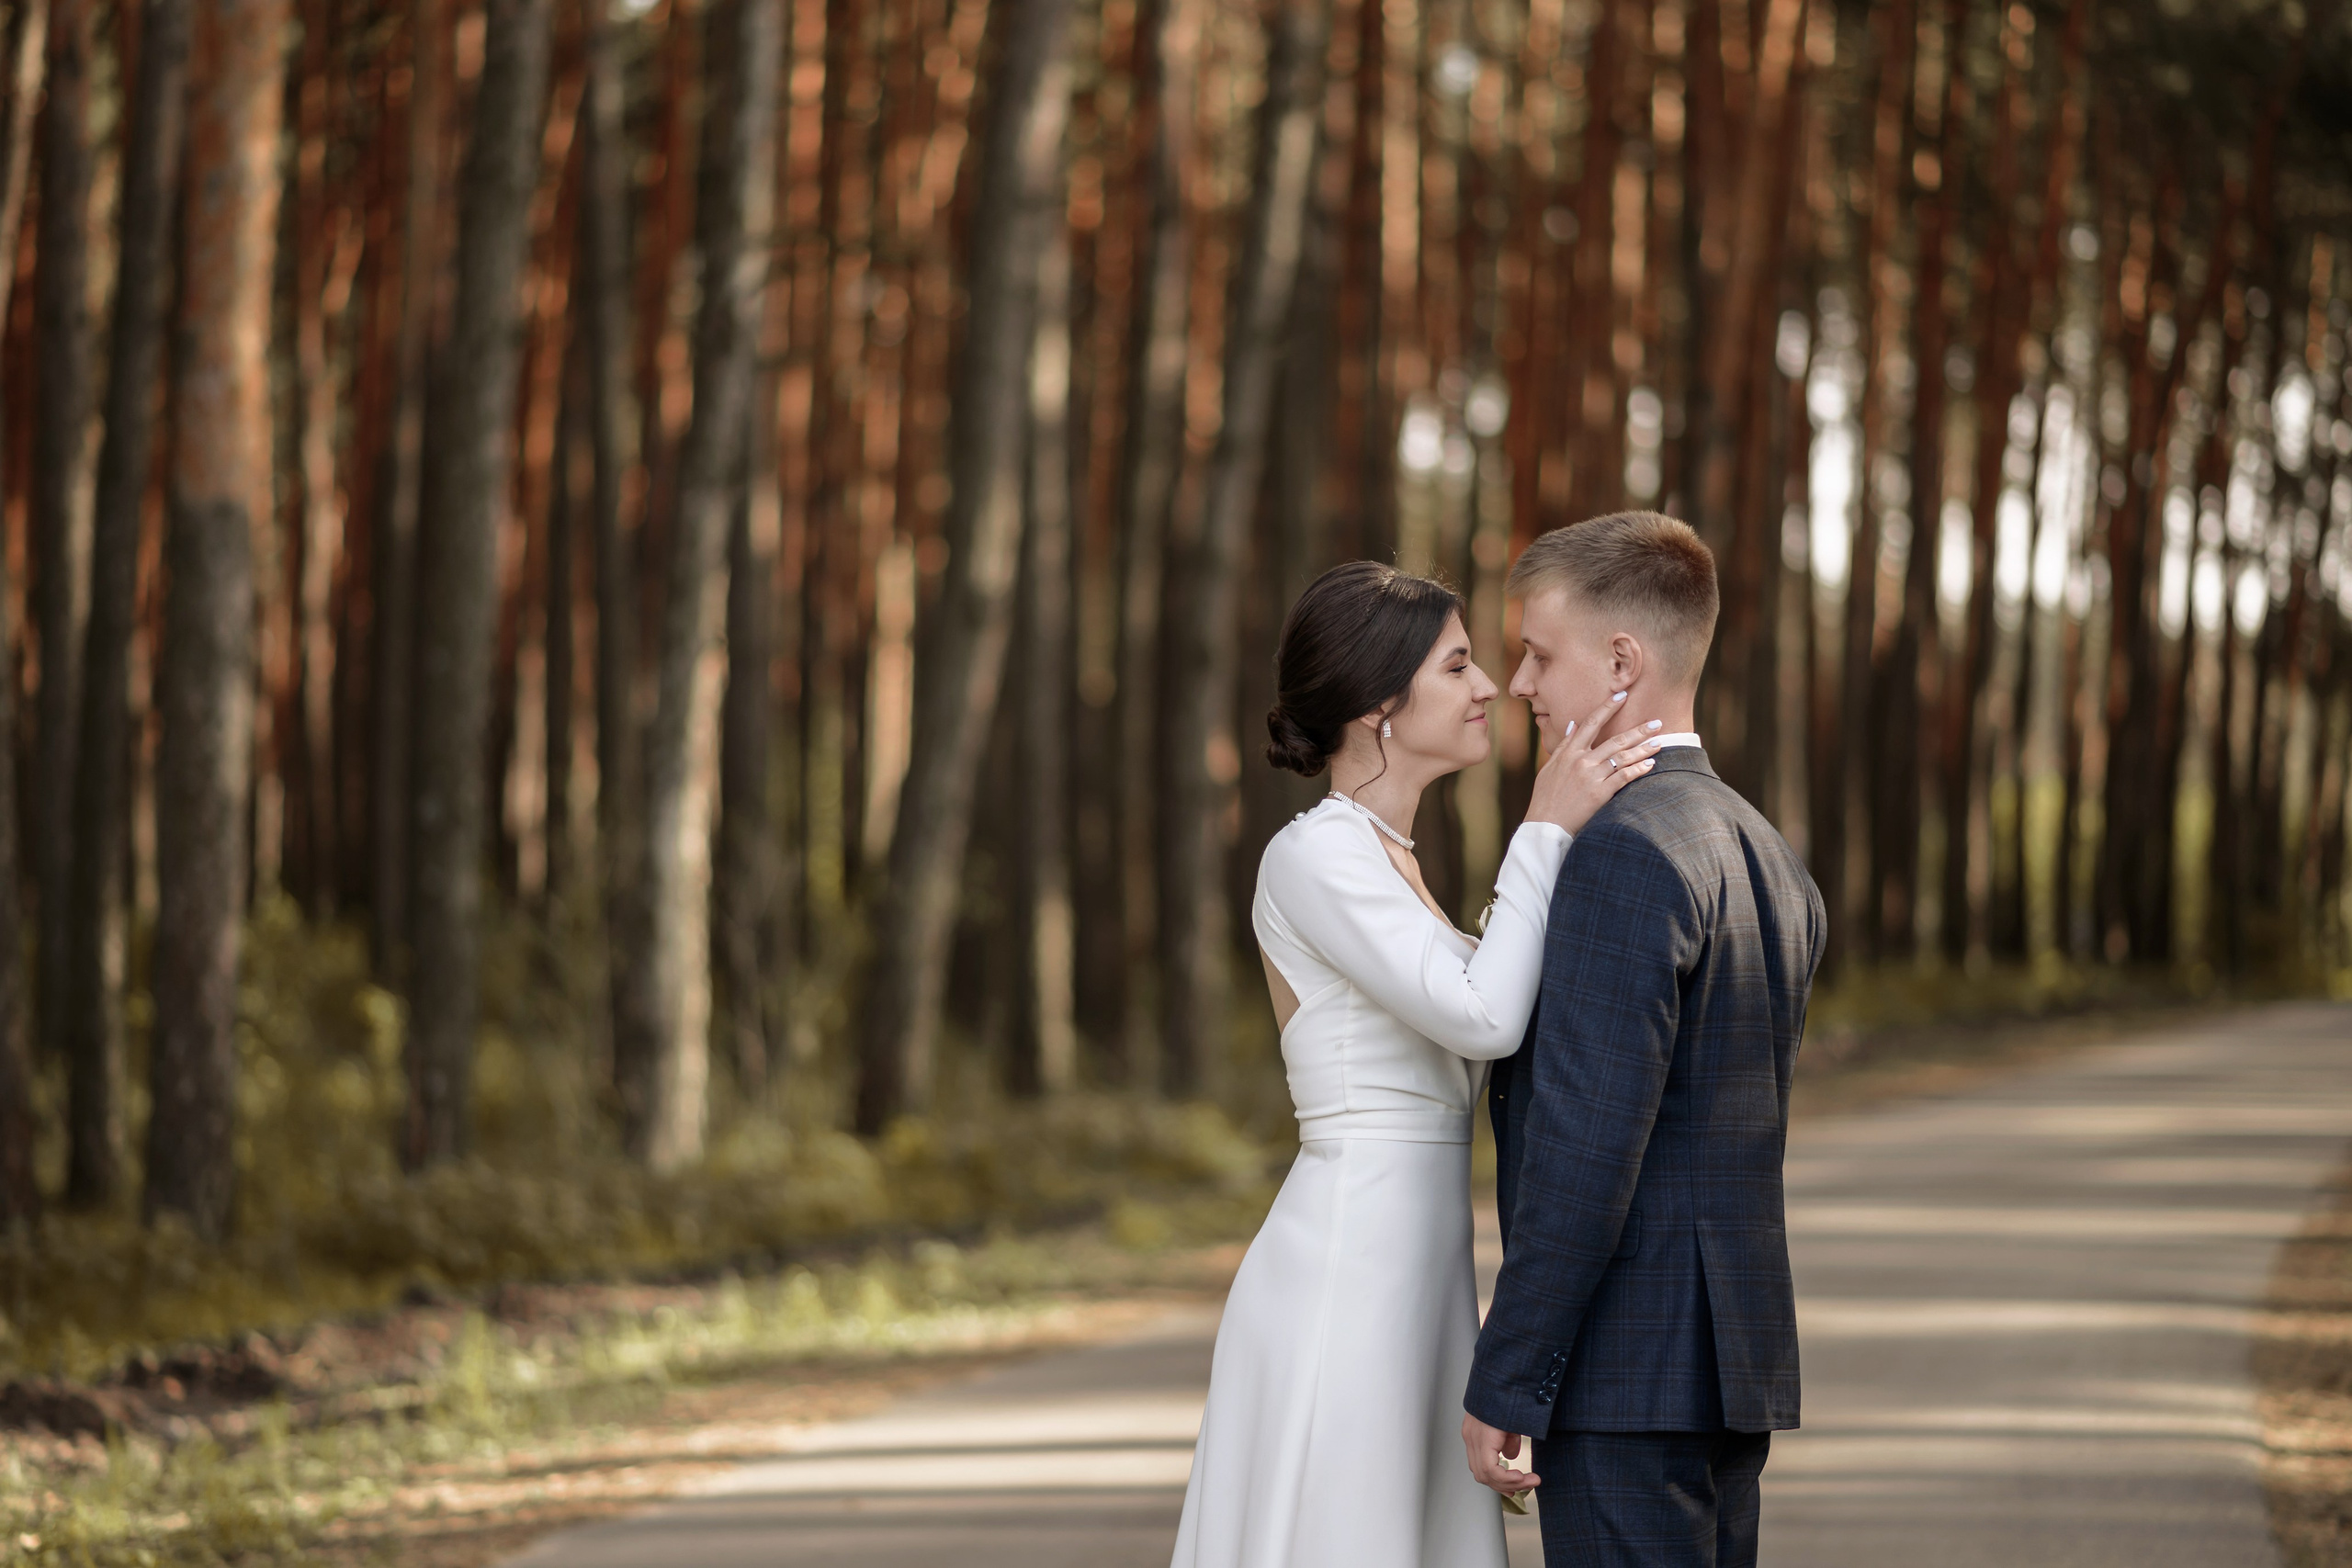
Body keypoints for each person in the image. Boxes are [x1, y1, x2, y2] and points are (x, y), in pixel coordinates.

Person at [1169, 559, 1663, 1568]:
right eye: (1457, 666)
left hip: (1417, 1269)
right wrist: (1541, 833)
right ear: (1375, 704)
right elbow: (1483, 1018)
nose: (1490, 688)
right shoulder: (1315, 857)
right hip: (1345, 1272)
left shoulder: (1391, 860)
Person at [1461, 512, 1826, 1568]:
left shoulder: (1618, 851)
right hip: (1726, 1366)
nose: (1520, 683)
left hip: (1628, 1374)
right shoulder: (1761, 848)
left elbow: (1586, 1146)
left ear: (1621, 661)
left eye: (1538, 653)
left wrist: (1510, 1376)